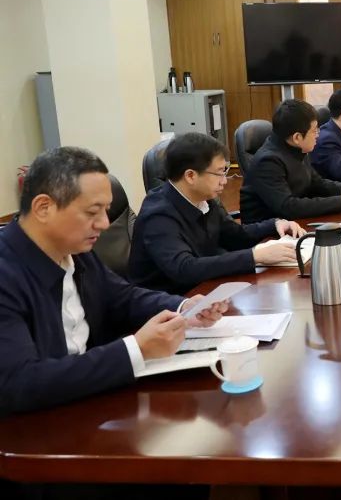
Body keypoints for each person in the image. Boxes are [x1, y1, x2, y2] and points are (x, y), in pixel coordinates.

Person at [0, 147, 227, 415]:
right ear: (43, 207)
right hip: (38, 424)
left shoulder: (75, 251)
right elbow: (17, 383)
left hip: (93, 398)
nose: (105, 224)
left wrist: (185, 308)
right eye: (92, 212)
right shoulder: (7, 272)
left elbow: (123, 297)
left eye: (106, 211)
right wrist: (136, 349)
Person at [127, 133, 303, 295]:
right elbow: (184, 269)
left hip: (207, 289)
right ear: (190, 176)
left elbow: (234, 235)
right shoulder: (158, 215)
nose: (224, 181)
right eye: (219, 173)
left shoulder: (204, 198)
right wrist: (255, 257)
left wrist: (274, 224)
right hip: (170, 304)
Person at [240, 99, 341, 223]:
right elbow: (288, 207)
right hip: (270, 231)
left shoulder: (297, 149)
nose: (318, 135)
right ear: (297, 137)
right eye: (314, 131)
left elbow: (316, 183)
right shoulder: (268, 162)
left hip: (296, 223)